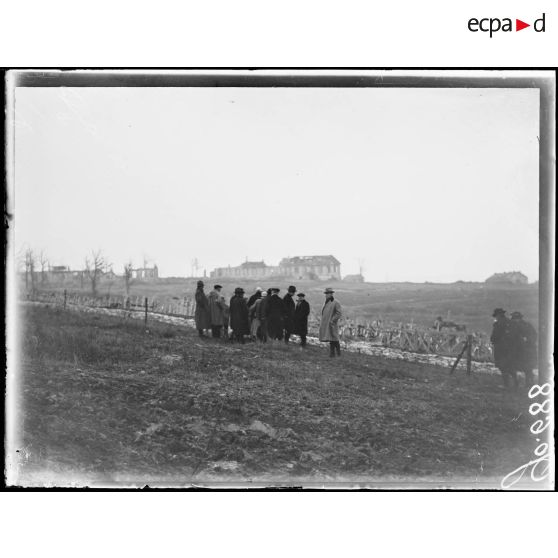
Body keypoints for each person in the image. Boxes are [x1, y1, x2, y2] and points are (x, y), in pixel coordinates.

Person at [509, 311, 537, 387]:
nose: (513, 320)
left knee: (520, 368)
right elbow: (534, 336)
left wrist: (526, 341)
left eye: (514, 319)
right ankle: (528, 383)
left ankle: (519, 384)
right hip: (526, 351)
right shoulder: (527, 325)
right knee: (527, 369)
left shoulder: (516, 326)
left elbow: (513, 339)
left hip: (522, 351)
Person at [490, 308, 517, 388]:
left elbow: (495, 336)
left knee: (502, 366)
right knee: (510, 364)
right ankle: (515, 382)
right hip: (511, 347)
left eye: (496, 316)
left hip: (501, 347)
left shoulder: (498, 323)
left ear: (498, 315)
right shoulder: (510, 322)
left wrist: (493, 340)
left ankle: (506, 384)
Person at [319, 288, 342, 357]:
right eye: (326, 294)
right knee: (331, 339)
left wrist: (332, 320)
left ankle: (338, 353)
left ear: (331, 294)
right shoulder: (326, 302)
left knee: (334, 338)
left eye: (327, 294)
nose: (326, 295)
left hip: (332, 324)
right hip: (327, 324)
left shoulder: (336, 302)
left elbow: (339, 313)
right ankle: (332, 354)